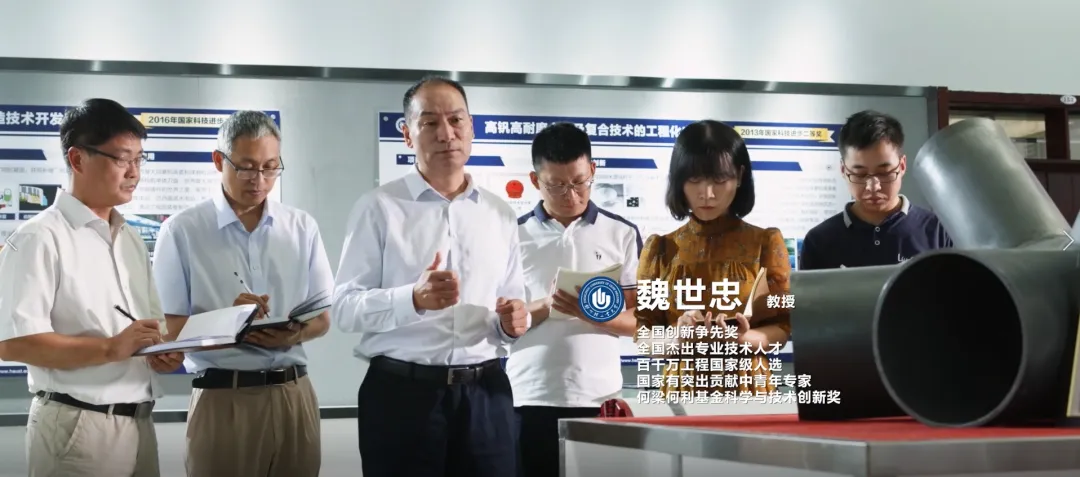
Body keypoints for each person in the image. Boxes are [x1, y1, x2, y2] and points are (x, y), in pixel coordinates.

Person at [333, 75, 529, 477]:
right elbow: (345, 308)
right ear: (407, 135)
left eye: (456, 120)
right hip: (403, 397)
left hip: (486, 396)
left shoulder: (499, 213)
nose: (446, 134)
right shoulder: (379, 208)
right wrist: (412, 299)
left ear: (471, 128)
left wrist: (512, 323)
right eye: (429, 123)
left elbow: (510, 306)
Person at [0, 98, 184, 476]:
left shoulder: (130, 238)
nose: (134, 173)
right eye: (122, 159)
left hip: (140, 422)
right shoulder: (38, 237)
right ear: (78, 159)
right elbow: (13, 343)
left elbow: (151, 328)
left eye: (139, 160)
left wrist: (161, 351)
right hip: (77, 425)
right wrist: (111, 348)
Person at [151, 110, 332, 477]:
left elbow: (323, 319)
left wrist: (294, 333)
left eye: (270, 167)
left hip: (293, 393)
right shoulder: (183, 231)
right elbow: (169, 329)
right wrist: (226, 321)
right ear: (219, 161)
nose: (260, 180)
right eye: (247, 168)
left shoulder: (301, 227)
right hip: (223, 399)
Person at [508, 122, 642, 477]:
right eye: (556, 185)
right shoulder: (512, 235)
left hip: (600, 397)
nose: (571, 194)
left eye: (580, 182)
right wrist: (545, 306)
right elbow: (499, 318)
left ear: (593, 170)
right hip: (529, 395)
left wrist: (594, 313)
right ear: (535, 180)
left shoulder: (622, 233)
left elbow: (640, 321)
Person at [635, 120, 792, 399]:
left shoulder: (765, 243)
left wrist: (742, 338)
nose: (707, 194)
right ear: (678, 180)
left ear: (739, 176)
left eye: (719, 180)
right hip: (683, 389)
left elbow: (783, 327)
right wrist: (677, 336)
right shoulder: (660, 249)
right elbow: (644, 336)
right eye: (694, 180)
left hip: (747, 385)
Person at [799, 110, 952, 270]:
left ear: (902, 166)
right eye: (860, 174)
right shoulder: (819, 241)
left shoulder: (938, 232)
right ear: (843, 170)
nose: (873, 186)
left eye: (884, 173)